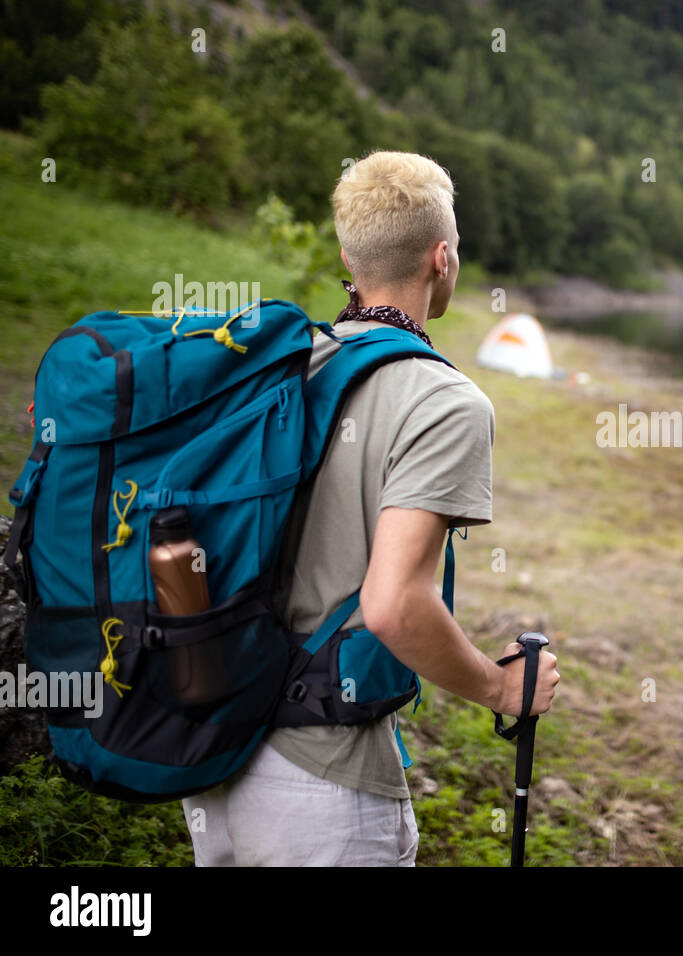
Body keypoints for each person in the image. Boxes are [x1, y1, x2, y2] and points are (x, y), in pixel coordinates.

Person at [181, 150, 560, 866]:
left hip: (213, 750)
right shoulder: (446, 402)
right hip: (323, 784)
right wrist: (501, 687)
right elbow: (391, 606)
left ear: (348, 259)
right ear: (441, 259)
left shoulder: (276, 367)